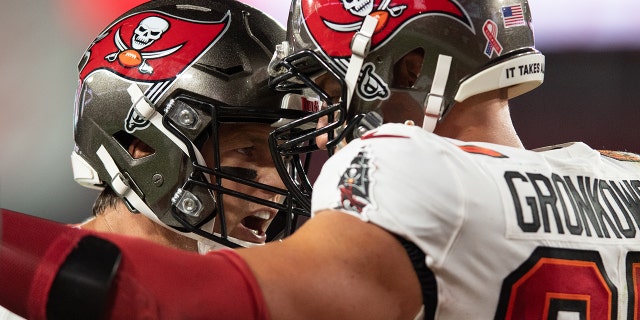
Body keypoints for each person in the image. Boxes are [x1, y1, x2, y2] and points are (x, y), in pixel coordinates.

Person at [2, 0, 640, 319]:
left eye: (331, 85)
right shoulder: (626, 177)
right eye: (251, 149)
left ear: (412, 64)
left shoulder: (411, 170)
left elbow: (160, 296)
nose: (285, 174)